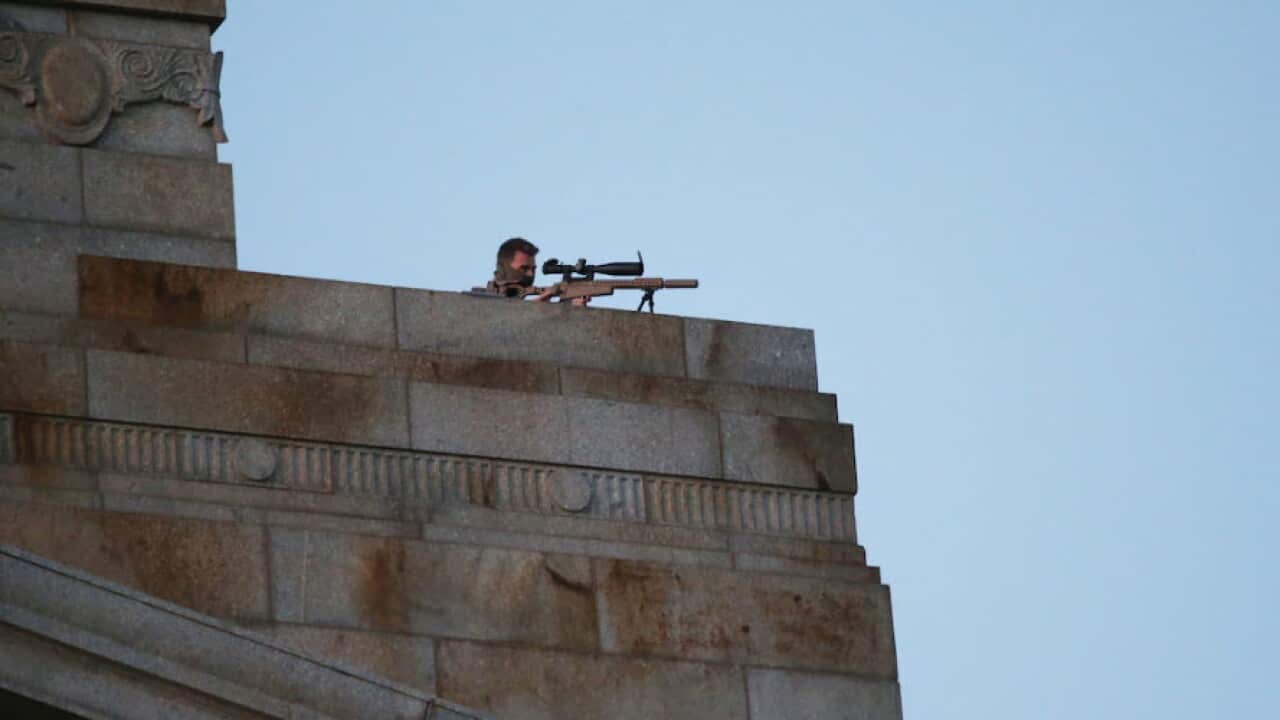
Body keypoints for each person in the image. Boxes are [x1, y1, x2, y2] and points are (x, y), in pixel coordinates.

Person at [486, 237, 588, 306]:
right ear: (503, 268)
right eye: (524, 268)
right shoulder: (479, 301)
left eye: (533, 269)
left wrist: (566, 311)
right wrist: (533, 309)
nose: (530, 274)